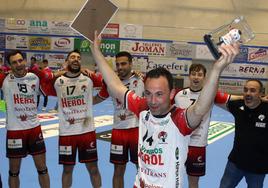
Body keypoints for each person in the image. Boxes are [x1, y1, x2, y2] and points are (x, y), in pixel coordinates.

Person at [90, 31, 240, 188]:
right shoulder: (142, 108)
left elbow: (200, 108)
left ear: (172, 93)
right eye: (148, 93)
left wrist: (216, 69)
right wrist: (96, 52)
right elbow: (116, 86)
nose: (153, 101)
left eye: (159, 94)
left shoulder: (180, 119)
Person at [44, 49, 102, 188]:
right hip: (67, 133)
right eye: (72, 57)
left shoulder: (88, 79)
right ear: (66, 61)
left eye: (78, 58)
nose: (76, 59)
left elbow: (105, 83)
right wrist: (57, 73)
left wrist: (94, 98)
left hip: (87, 132)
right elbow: (42, 82)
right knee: (67, 170)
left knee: (93, 169)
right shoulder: (58, 81)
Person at [174, 64, 231, 188]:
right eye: (193, 74)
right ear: (189, 76)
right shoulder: (178, 95)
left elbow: (232, 99)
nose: (196, 77)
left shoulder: (210, 95)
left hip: (197, 145)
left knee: (193, 182)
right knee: (173, 178)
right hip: (178, 144)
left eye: (200, 75)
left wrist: (258, 99)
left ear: (204, 77)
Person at [0, 50, 50, 188]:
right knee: (14, 173)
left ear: (25, 61)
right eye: (14, 62)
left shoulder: (34, 77)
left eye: (20, 60)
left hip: (34, 129)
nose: (18, 64)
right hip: (15, 132)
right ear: (9, 65)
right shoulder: (4, 79)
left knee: (43, 169)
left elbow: (50, 83)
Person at [94, 51, 144, 188]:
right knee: (118, 170)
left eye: (123, 63)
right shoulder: (111, 83)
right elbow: (98, 98)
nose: (120, 67)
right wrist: (82, 100)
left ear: (131, 64)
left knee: (141, 169)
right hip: (119, 132)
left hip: (138, 130)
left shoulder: (142, 80)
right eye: (117, 64)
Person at [219, 79, 268, 188]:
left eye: (252, 90)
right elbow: (215, 98)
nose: (248, 93)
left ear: (260, 93)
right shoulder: (237, 106)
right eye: (245, 90)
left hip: (258, 168)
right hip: (235, 163)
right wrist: (239, 97)